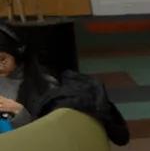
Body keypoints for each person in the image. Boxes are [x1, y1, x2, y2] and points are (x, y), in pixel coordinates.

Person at [0, 22, 128, 144]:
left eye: (2, 59)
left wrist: (20, 113)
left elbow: (50, 138)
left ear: (18, 53)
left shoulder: (45, 86)